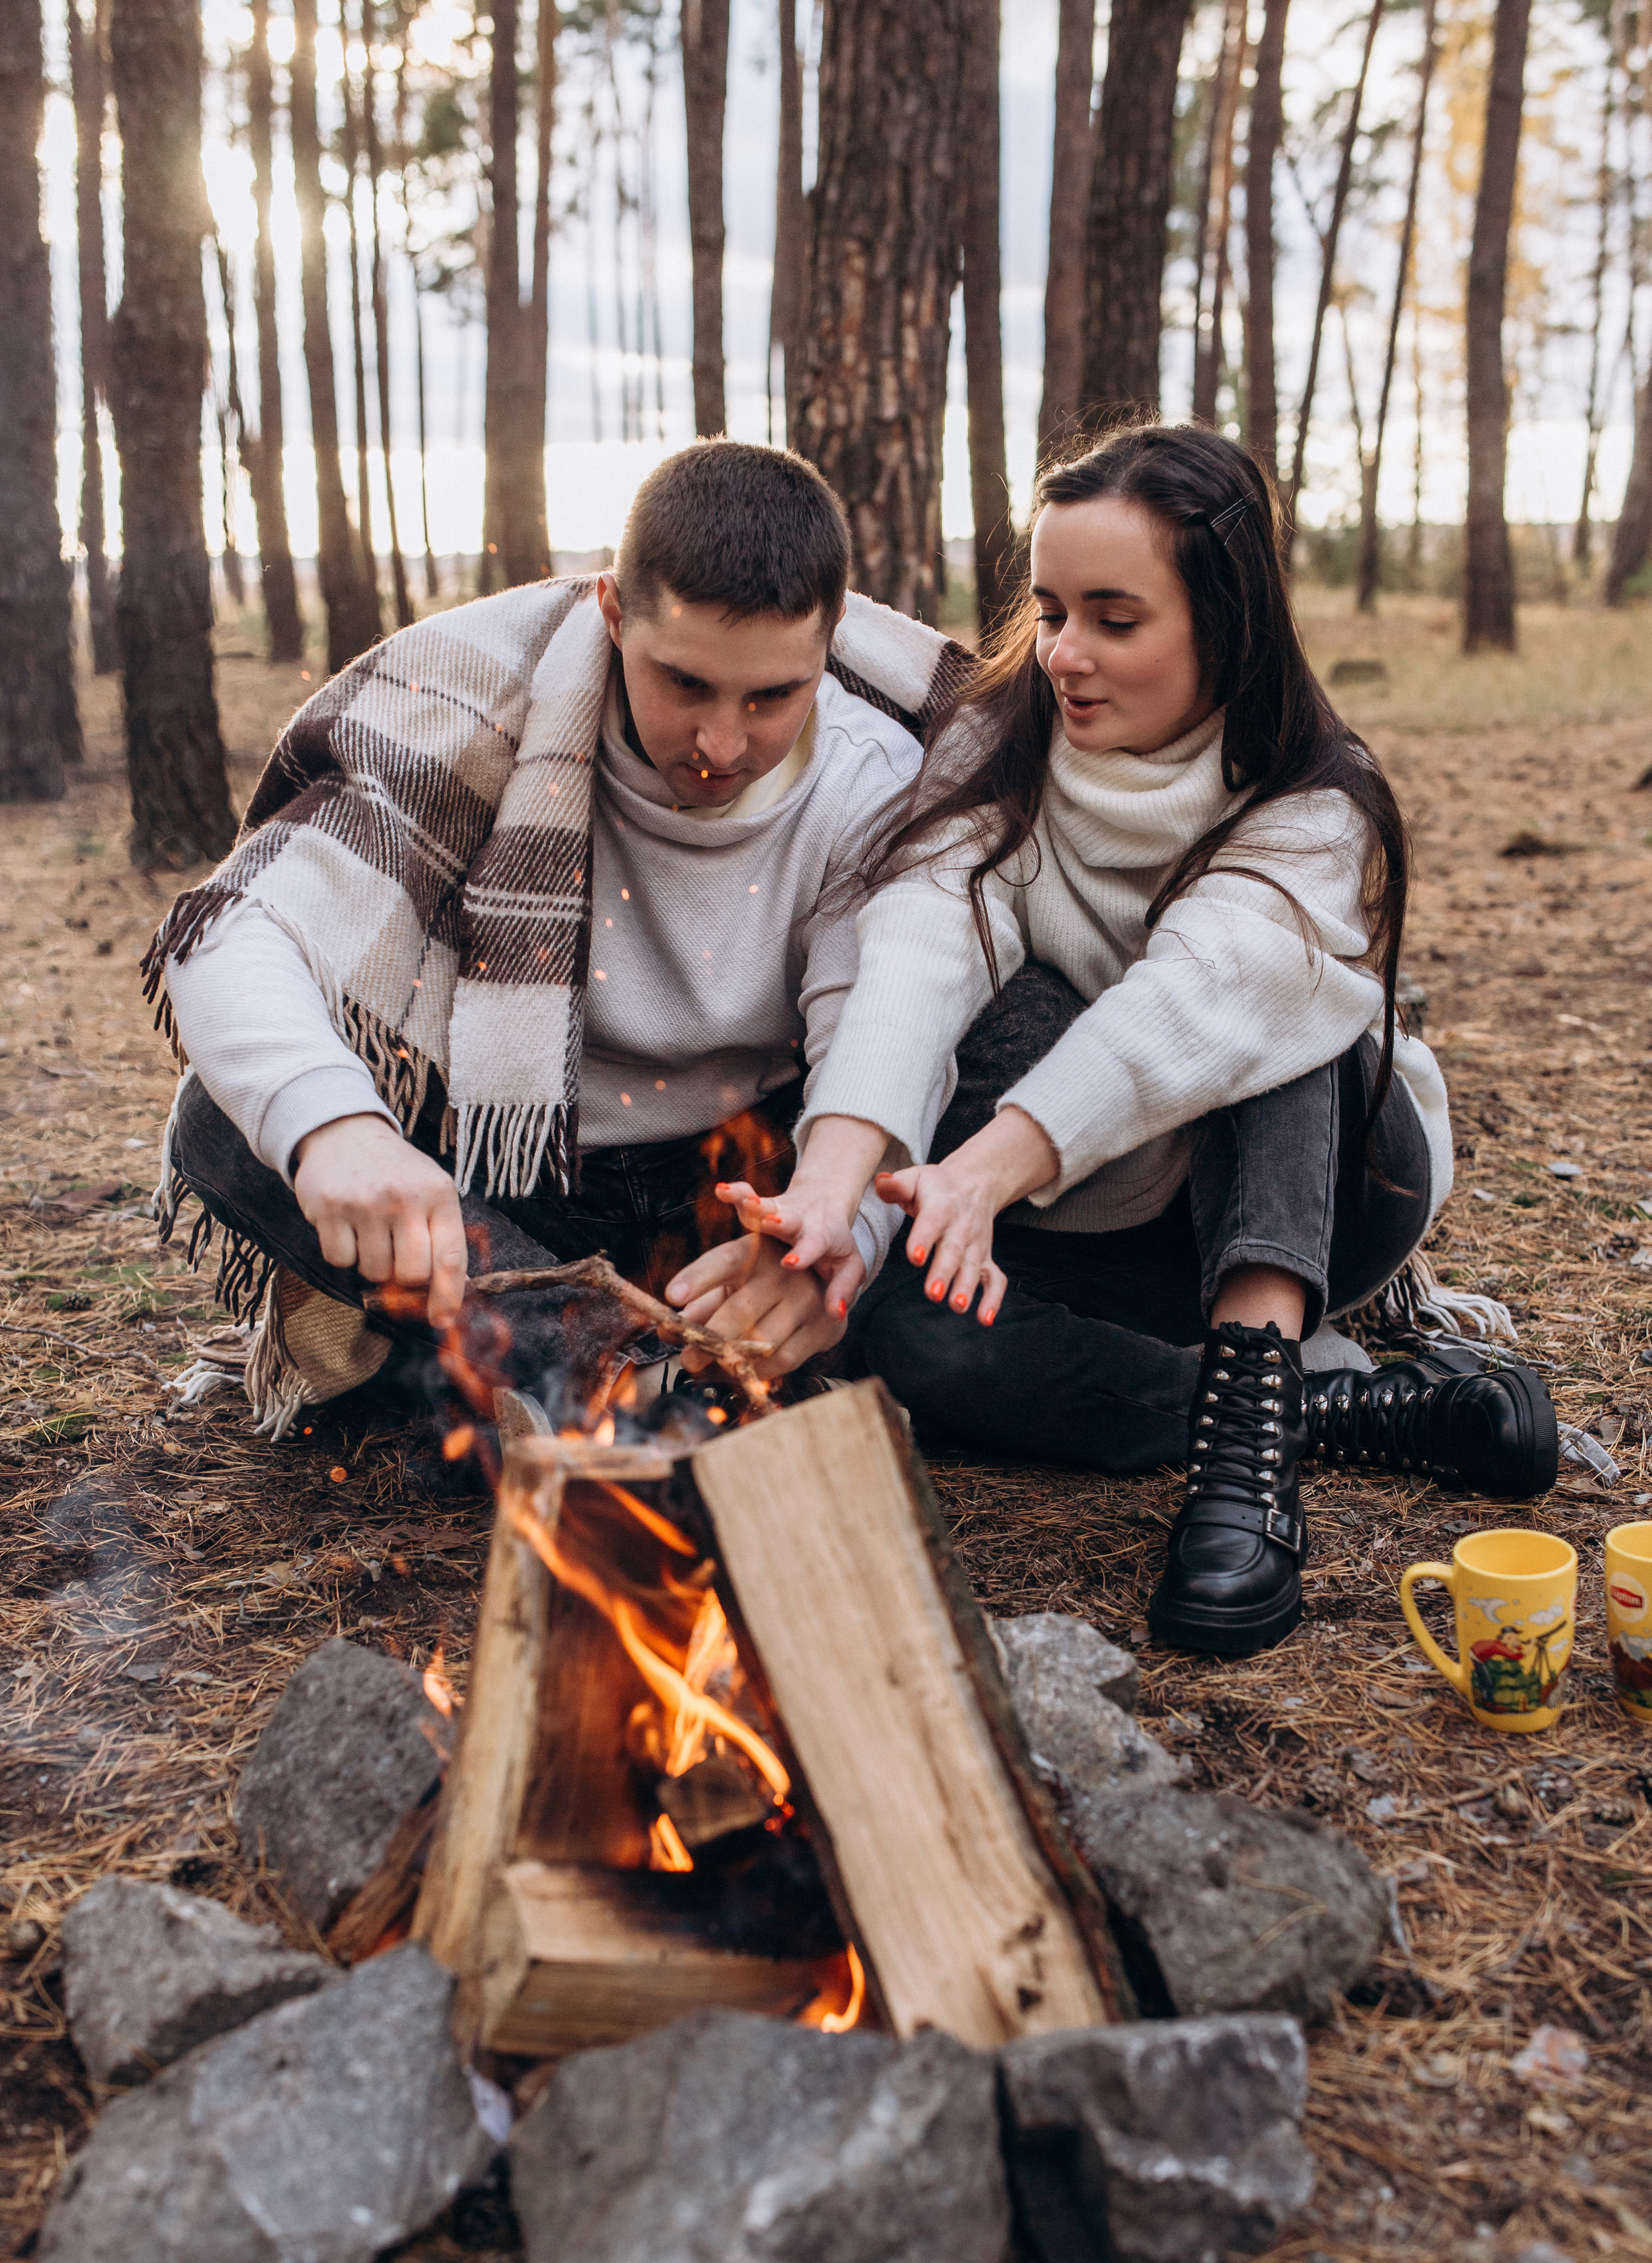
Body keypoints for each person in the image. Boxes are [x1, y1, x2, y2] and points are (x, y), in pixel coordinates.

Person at [685, 425, 1558, 1658]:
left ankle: (1247, 1469)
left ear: (1225, 621)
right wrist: (832, 1194)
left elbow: (1193, 1000)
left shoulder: (1316, 800)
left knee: (1274, 1014)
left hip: (1319, 1191)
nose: (1065, 656)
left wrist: (979, 1174)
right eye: (1048, 611)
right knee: (889, 1328)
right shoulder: (1002, 749)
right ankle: (1339, 1407)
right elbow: (919, 959)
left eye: (1114, 618)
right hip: (1096, 1215)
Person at [145, 440, 969, 1439]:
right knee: (223, 1123)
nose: (720, 745)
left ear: (830, 642)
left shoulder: (873, 773)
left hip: (737, 1183)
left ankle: (547, 1374)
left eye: (770, 697)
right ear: (614, 612)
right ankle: (628, 1372)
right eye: (685, 683)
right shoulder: (467, 706)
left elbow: (886, 1030)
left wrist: (835, 1236)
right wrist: (339, 1131)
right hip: (516, 1177)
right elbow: (229, 931)